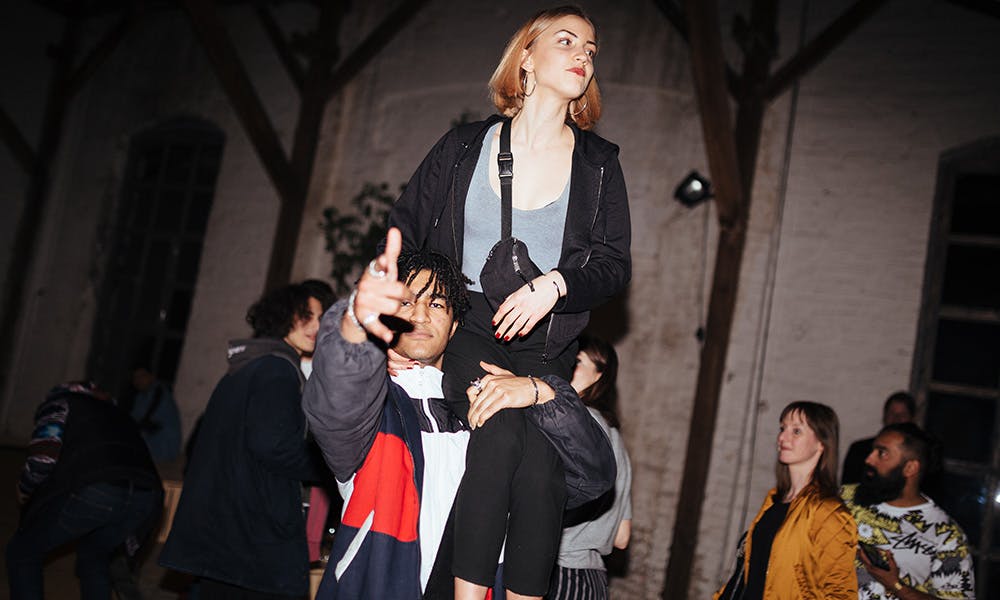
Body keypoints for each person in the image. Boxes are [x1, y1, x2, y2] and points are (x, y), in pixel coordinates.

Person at [387, 7, 630, 597]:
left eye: (591, 49)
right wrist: (396, 328)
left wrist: (556, 284)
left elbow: (613, 265)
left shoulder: (598, 164)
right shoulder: (462, 147)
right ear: (526, 57)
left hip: (547, 345)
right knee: (498, 431)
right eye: (567, 41)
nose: (583, 55)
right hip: (470, 327)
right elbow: (402, 235)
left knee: (543, 468)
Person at [301, 228, 615, 599]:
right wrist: (356, 323)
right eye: (406, 302)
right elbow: (335, 395)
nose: (420, 314)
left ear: (454, 328)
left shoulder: (495, 408)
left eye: (436, 304)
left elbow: (591, 478)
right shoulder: (374, 407)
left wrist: (543, 394)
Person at [159, 283, 326, 599]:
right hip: (253, 536)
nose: (315, 326)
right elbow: (274, 445)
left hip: (225, 533)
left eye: (321, 318)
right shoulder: (277, 369)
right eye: (306, 315)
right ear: (282, 315)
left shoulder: (248, 365)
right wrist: (331, 465)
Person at [6, 381, 164, 600]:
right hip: (148, 496)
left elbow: (42, 460)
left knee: (22, 552)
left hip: (99, 487)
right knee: (95, 557)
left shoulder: (60, 403)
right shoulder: (120, 415)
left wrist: (24, 489)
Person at [714, 401, 858, 600]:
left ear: (821, 443)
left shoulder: (828, 512)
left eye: (796, 431)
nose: (782, 437)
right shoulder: (774, 501)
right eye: (782, 429)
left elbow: (840, 593)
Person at [841, 423, 975, 600]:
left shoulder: (946, 534)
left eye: (882, 453)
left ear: (910, 468)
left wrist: (896, 585)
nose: (869, 460)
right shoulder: (845, 497)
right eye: (872, 451)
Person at [547, 334, 631, 600]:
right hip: (593, 582)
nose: (568, 364)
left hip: (559, 572)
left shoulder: (572, 427)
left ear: (599, 375)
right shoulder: (616, 440)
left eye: (578, 361)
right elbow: (621, 537)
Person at [842, 391, 916, 485]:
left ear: (912, 419)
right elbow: (848, 487)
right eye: (892, 413)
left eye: (903, 415)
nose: (896, 418)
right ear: (884, 416)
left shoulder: (919, 453)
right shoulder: (859, 450)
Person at [128, 364, 182, 462]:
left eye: (142, 376)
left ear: (151, 377)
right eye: (135, 377)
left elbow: (148, 422)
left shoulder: (159, 393)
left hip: (164, 446)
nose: (138, 380)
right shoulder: (140, 397)